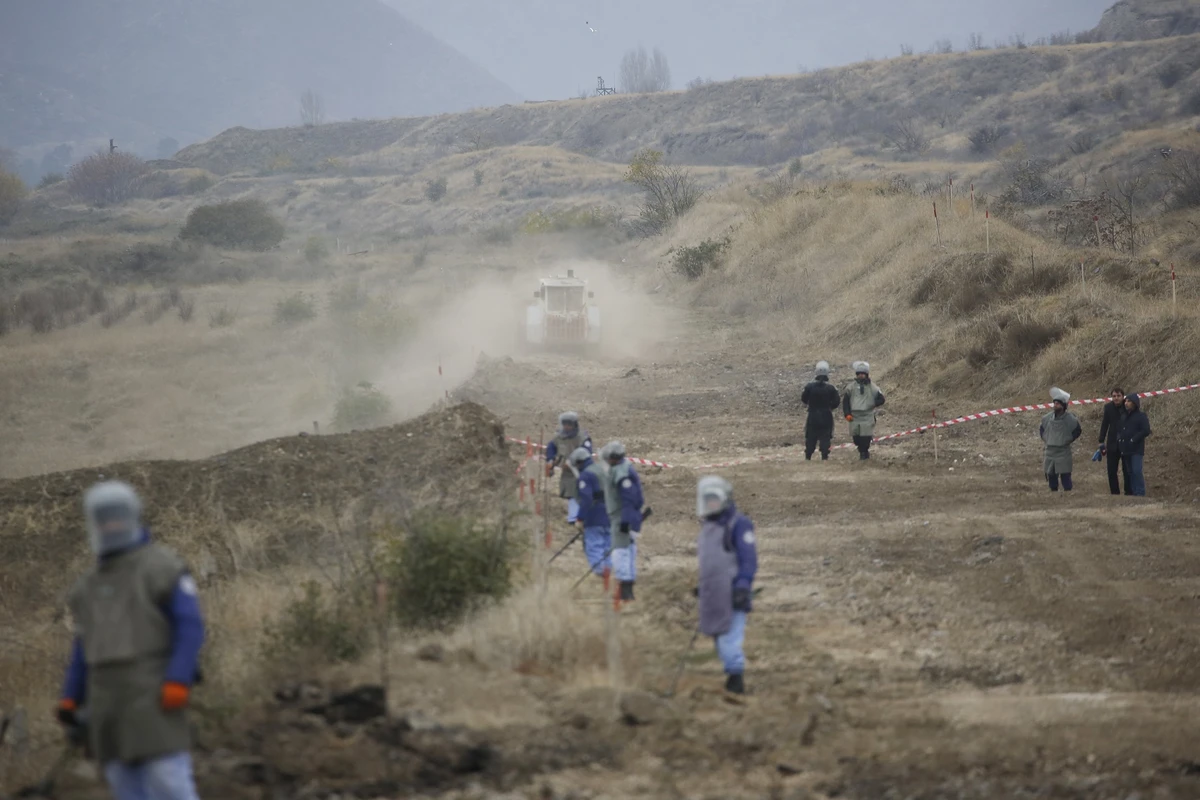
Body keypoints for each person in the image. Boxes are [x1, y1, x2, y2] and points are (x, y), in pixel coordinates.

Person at [58, 481, 205, 800]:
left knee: (169, 781)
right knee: (124, 785)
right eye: (104, 518)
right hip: (105, 703)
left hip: (153, 692)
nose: (112, 524)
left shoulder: (162, 567)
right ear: (94, 524)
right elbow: (83, 647)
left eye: (117, 516)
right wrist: (71, 696)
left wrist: (178, 678)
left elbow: (190, 626)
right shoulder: (87, 587)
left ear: (132, 517)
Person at [695, 476, 757, 695]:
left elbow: (748, 560)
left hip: (733, 592)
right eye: (708, 500)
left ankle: (735, 677)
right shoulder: (709, 527)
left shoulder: (738, 525)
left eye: (715, 500)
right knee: (718, 635)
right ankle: (731, 670)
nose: (711, 504)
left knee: (730, 637)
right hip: (713, 593)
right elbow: (710, 562)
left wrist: (742, 585)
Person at [601, 441, 644, 602]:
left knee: (620, 553)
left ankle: (624, 590)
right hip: (624, 517)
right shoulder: (623, 468)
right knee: (629, 551)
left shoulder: (621, 473)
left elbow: (629, 499)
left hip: (622, 518)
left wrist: (625, 521)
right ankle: (628, 590)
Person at [568, 446, 611, 578]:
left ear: (579, 462)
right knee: (608, 546)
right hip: (610, 514)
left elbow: (586, 499)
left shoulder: (586, 475)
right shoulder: (602, 470)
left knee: (594, 546)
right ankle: (609, 574)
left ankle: (601, 576)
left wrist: (580, 518)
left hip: (594, 515)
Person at [544, 412, 592, 525]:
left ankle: (576, 517)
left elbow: (586, 453)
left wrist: (573, 461)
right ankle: (575, 517)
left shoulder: (583, 438)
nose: (566, 427)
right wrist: (550, 461)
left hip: (580, 470)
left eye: (569, 424)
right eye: (564, 424)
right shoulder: (559, 437)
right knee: (571, 493)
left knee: (578, 493)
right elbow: (551, 448)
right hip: (566, 472)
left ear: (574, 424)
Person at [1039, 388, 1082, 492]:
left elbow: (1077, 430)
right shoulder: (1047, 418)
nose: (1055, 405)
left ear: (1063, 405)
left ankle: (1068, 493)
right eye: (1055, 403)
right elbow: (1042, 430)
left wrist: (1068, 439)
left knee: (1065, 475)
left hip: (1063, 451)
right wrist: (1047, 439)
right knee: (1051, 474)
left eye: (1058, 403)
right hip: (1050, 450)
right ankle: (1053, 492)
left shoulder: (1070, 419)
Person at [842, 361, 885, 460]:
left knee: (865, 437)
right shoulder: (850, 387)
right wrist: (847, 414)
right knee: (856, 438)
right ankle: (861, 449)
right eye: (859, 374)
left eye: (863, 374)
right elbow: (846, 402)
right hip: (854, 417)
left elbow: (881, 399)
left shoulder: (873, 387)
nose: (861, 375)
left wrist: (872, 403)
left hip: (867, 416)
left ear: (866, 374)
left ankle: (864, 453)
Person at [800, 360, 841, 461]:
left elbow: (804, 399)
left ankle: (808, 455)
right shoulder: (831, 388)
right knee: (825, 436)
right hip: (826, 415)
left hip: (813, 414)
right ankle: (824, 456)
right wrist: (830, 407)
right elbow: (837, 401)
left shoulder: (809, 387)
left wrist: (811, 405)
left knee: (811, 436)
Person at [1117, 392, 1151, 497]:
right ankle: (1134, 493)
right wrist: (1119, 440)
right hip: (1126, 448)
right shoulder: (1124, 416)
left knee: (1136, 471)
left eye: (1129, 401)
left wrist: (1134, 439)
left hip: (1136, 449)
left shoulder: (1141, 416)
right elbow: (1121, 430)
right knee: (1130, 472)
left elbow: (1146, 430)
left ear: (1135, 403)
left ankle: (1140, 493)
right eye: (1126, 401)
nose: (1126, 403)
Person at [1097, 387, 1129, 495]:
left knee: (1127, 471)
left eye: (1118, 396)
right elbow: (1105, 424)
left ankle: (1129, 493)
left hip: (1126, 443)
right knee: (1111, 471)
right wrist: (1101, 441)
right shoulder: (1108, 407)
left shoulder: (1128, 406)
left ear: (1123, 396)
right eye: (1114, 396)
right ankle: (1115, 494)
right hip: (1112, 444)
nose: (1116, 398)